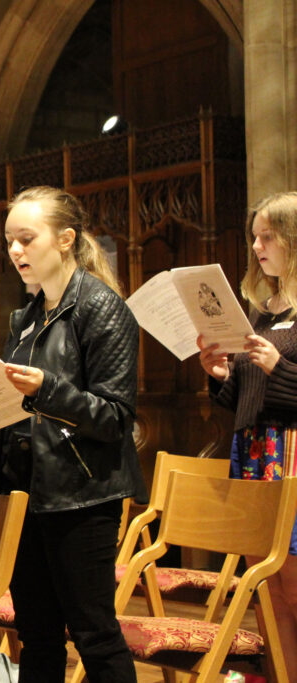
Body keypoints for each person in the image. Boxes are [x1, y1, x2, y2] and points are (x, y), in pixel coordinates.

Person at [0, 185, 143, 682]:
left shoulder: (102, 308)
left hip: (81, 495)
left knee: (94, 634)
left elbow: (116, 417)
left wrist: (47, 390)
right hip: (25, 488)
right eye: (9, 241)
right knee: (37, 633)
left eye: (26, 238)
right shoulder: (28, 315)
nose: (15, 250)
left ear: (65, 239)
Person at [198, 190, 297, 681]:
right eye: (254, 237)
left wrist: (280, 367)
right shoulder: (262, 308)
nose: (257, 247)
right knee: (265, 587)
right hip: (255, 451)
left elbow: (281, 381)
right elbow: (247, 396)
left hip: (291, 455)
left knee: (295, 584)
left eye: (267, 237)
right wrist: (222, 376)